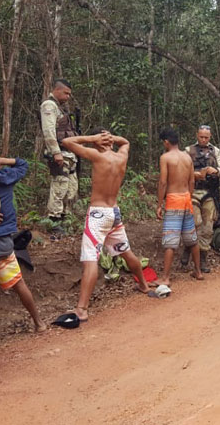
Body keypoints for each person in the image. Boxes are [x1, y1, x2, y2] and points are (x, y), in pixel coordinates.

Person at [61, 129, 152, 321]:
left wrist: (93, 139)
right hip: (114, 213)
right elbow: (126, 141)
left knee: (90, 259)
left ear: (97, 143)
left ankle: (82, 308)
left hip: (98, 214)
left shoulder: (96, 155)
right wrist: (113, 138)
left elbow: (67, 142)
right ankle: (143, 284)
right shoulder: (121, 156)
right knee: (125, 252)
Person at [0, 148, 46, 333]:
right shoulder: (7, 176)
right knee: (18, 282)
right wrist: (2, 160)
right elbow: (23, 164)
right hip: (4, 241)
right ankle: (39, 322)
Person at [157, 127, 204, 285]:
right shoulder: (187, 157)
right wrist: (189, 197)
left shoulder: (166, 157)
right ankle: (198, 272)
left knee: (170, 240)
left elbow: (163, 182)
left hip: (173, 200)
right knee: (191, 238)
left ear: (166, 142)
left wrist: (159, 204)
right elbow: (192, 181)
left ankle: (165, 278)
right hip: (186, 199)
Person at [183, 125, 220, 272]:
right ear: (197, 135)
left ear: (210, 137)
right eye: (201, 136)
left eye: (206, 137)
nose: (203, 139)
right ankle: (187, 249)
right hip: (193, 192)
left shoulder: (215, 151)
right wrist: (194, 174)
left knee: (207, 227)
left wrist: (217, 171)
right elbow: (181, 169)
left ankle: (203, 258)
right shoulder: (188, 150)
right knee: (194, 223)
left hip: (210, 193)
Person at [41, 79, 78, 231]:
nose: (68, 97)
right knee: (59, 186)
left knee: (71, 188)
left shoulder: (60, 108)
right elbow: (49, 131)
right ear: (57, 90)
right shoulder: (49, 105)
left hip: (69, 154)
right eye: (66, 93)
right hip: (60, 153)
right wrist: (56, 152)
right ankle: (54, 221)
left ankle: (64, 217)